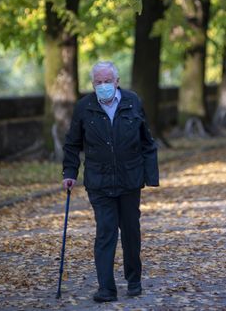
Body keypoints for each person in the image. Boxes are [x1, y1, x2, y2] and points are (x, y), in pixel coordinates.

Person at [62, 61, 159, 303]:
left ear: (117, 82)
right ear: (93, 84)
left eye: (107, 81)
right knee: (105, 232)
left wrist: (150, 176)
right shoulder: (84, 107)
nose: (103, 86)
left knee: (130, 232)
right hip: (99, 182)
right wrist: (69, 172)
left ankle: (134, 279)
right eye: (98, 82)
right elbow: (72, 143)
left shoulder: (132, 101)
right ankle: (107, 288)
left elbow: (147, 142)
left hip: (129, 180)